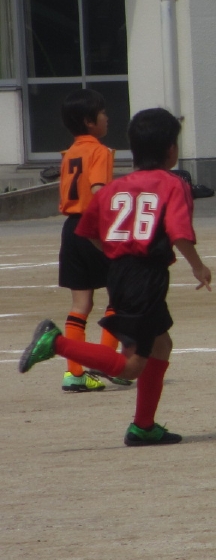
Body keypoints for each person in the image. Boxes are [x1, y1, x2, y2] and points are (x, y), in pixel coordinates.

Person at [18, 108, 213, 447]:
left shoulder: (115, 187)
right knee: (131, 365)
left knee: (162, 344)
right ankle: (55, 342)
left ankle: (144, 426)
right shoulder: (174, 184)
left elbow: (89, 230)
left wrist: (116, 254)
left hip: (122, 270)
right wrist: (198, 266)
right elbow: (179, 232)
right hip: (146, 277)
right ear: (171, 150)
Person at [55, 87, 128, 392]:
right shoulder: (99, 151)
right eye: (102, 113)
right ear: (89, 121)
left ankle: (74, 374)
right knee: (119, 297)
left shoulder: (69, 153)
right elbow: (98, 190)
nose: (107, 117)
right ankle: (107, 362)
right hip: (94, 227)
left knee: (80, 304)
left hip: (71, 229)